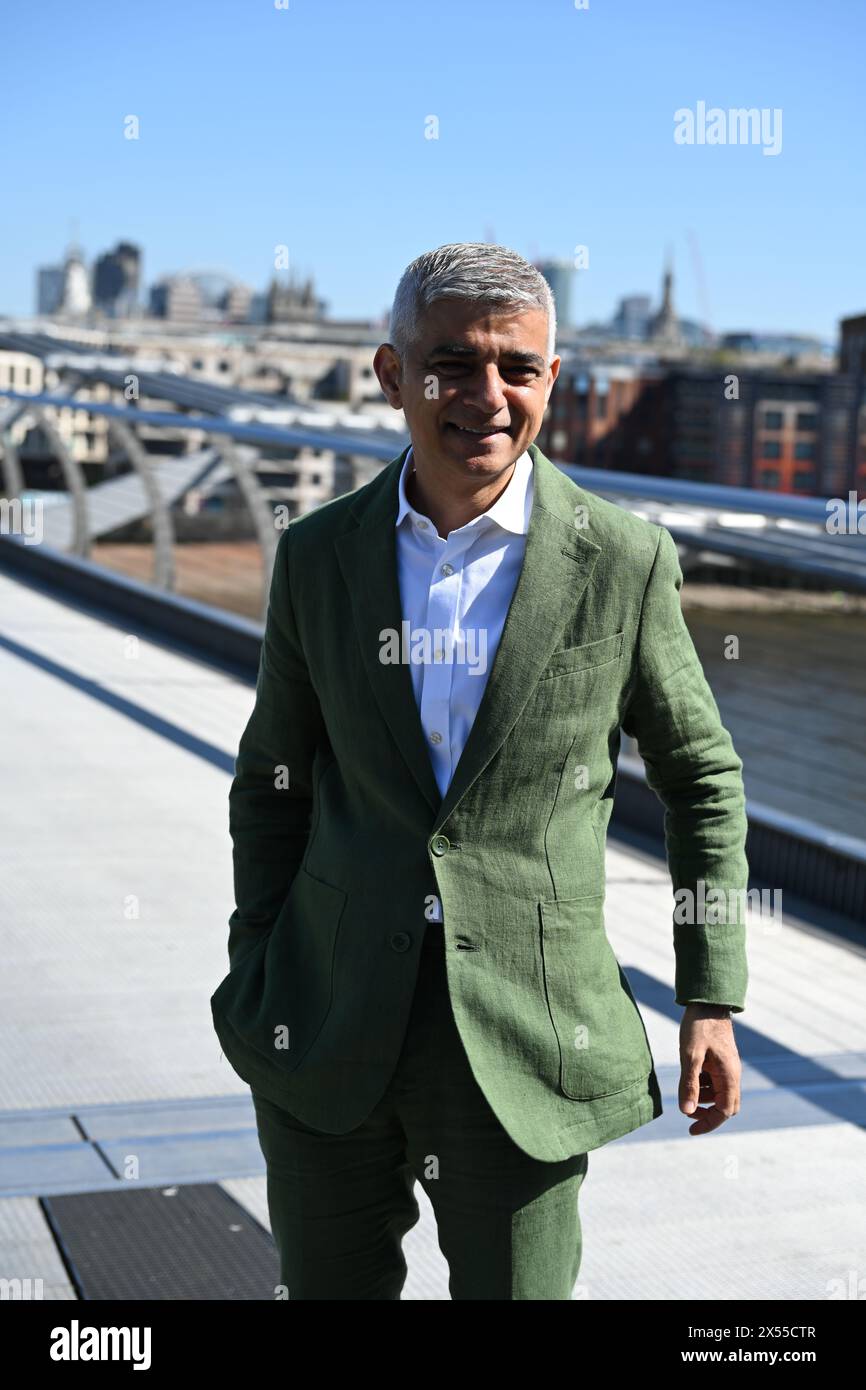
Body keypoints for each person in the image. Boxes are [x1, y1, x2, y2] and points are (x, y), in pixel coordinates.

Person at [210, 241, 748, 1301]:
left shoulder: (624, 560)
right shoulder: (318, 555)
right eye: (451, 363)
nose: (485, 395)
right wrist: (257, 958)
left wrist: (710, 996)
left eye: (515, 368)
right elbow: (272, 775)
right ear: (390, 373)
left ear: (552, 380)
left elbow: (701, 780)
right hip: (324, 1017)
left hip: (524, 1035)